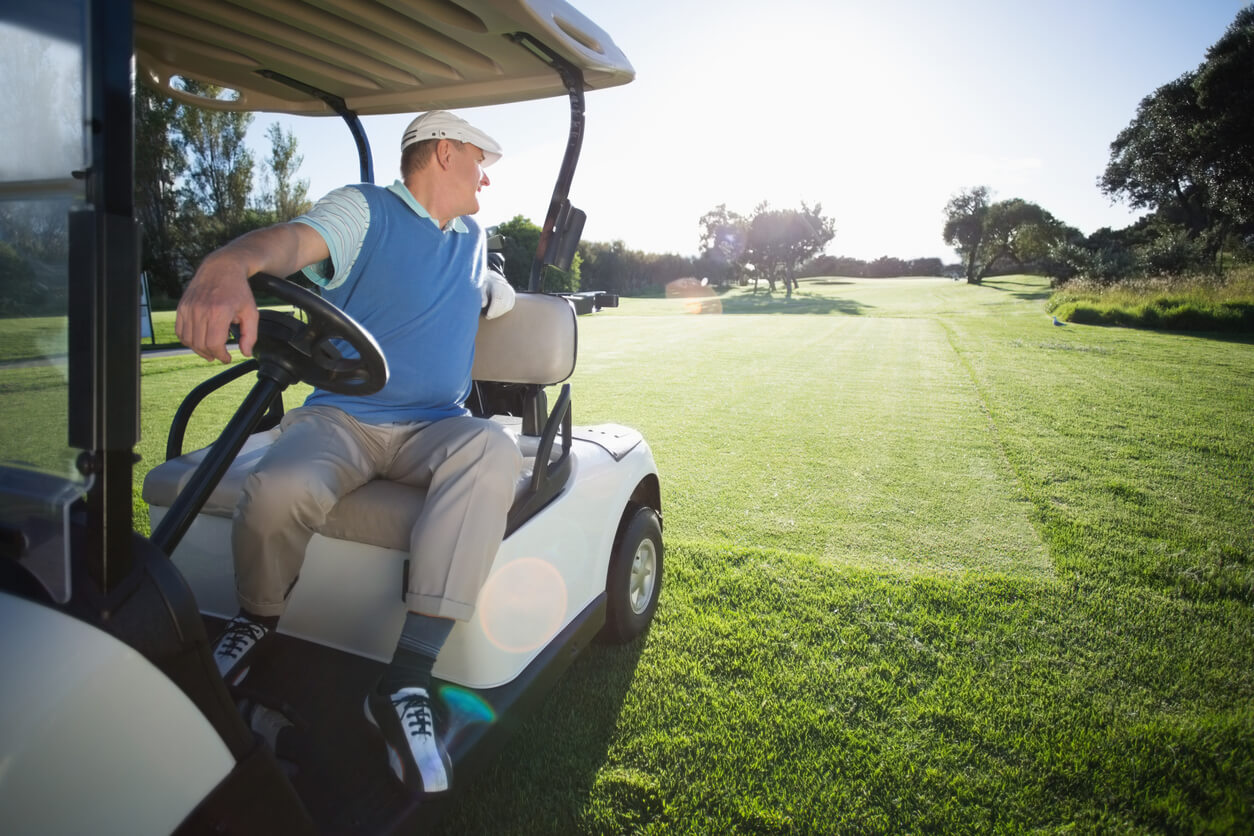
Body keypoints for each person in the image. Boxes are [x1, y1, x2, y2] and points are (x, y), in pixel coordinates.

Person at [175, 110, 523, 798]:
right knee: (277, 488)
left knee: (491, 446)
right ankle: (257, 615)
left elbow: (468, 287)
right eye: (482, 159)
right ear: (445, 153)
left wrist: (492, 289)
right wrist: (229, 263)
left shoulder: (473, 237)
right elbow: (292, 242)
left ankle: (405, 679)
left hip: (435, 427)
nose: (489, 175)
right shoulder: (363, 210)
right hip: (344, 417)